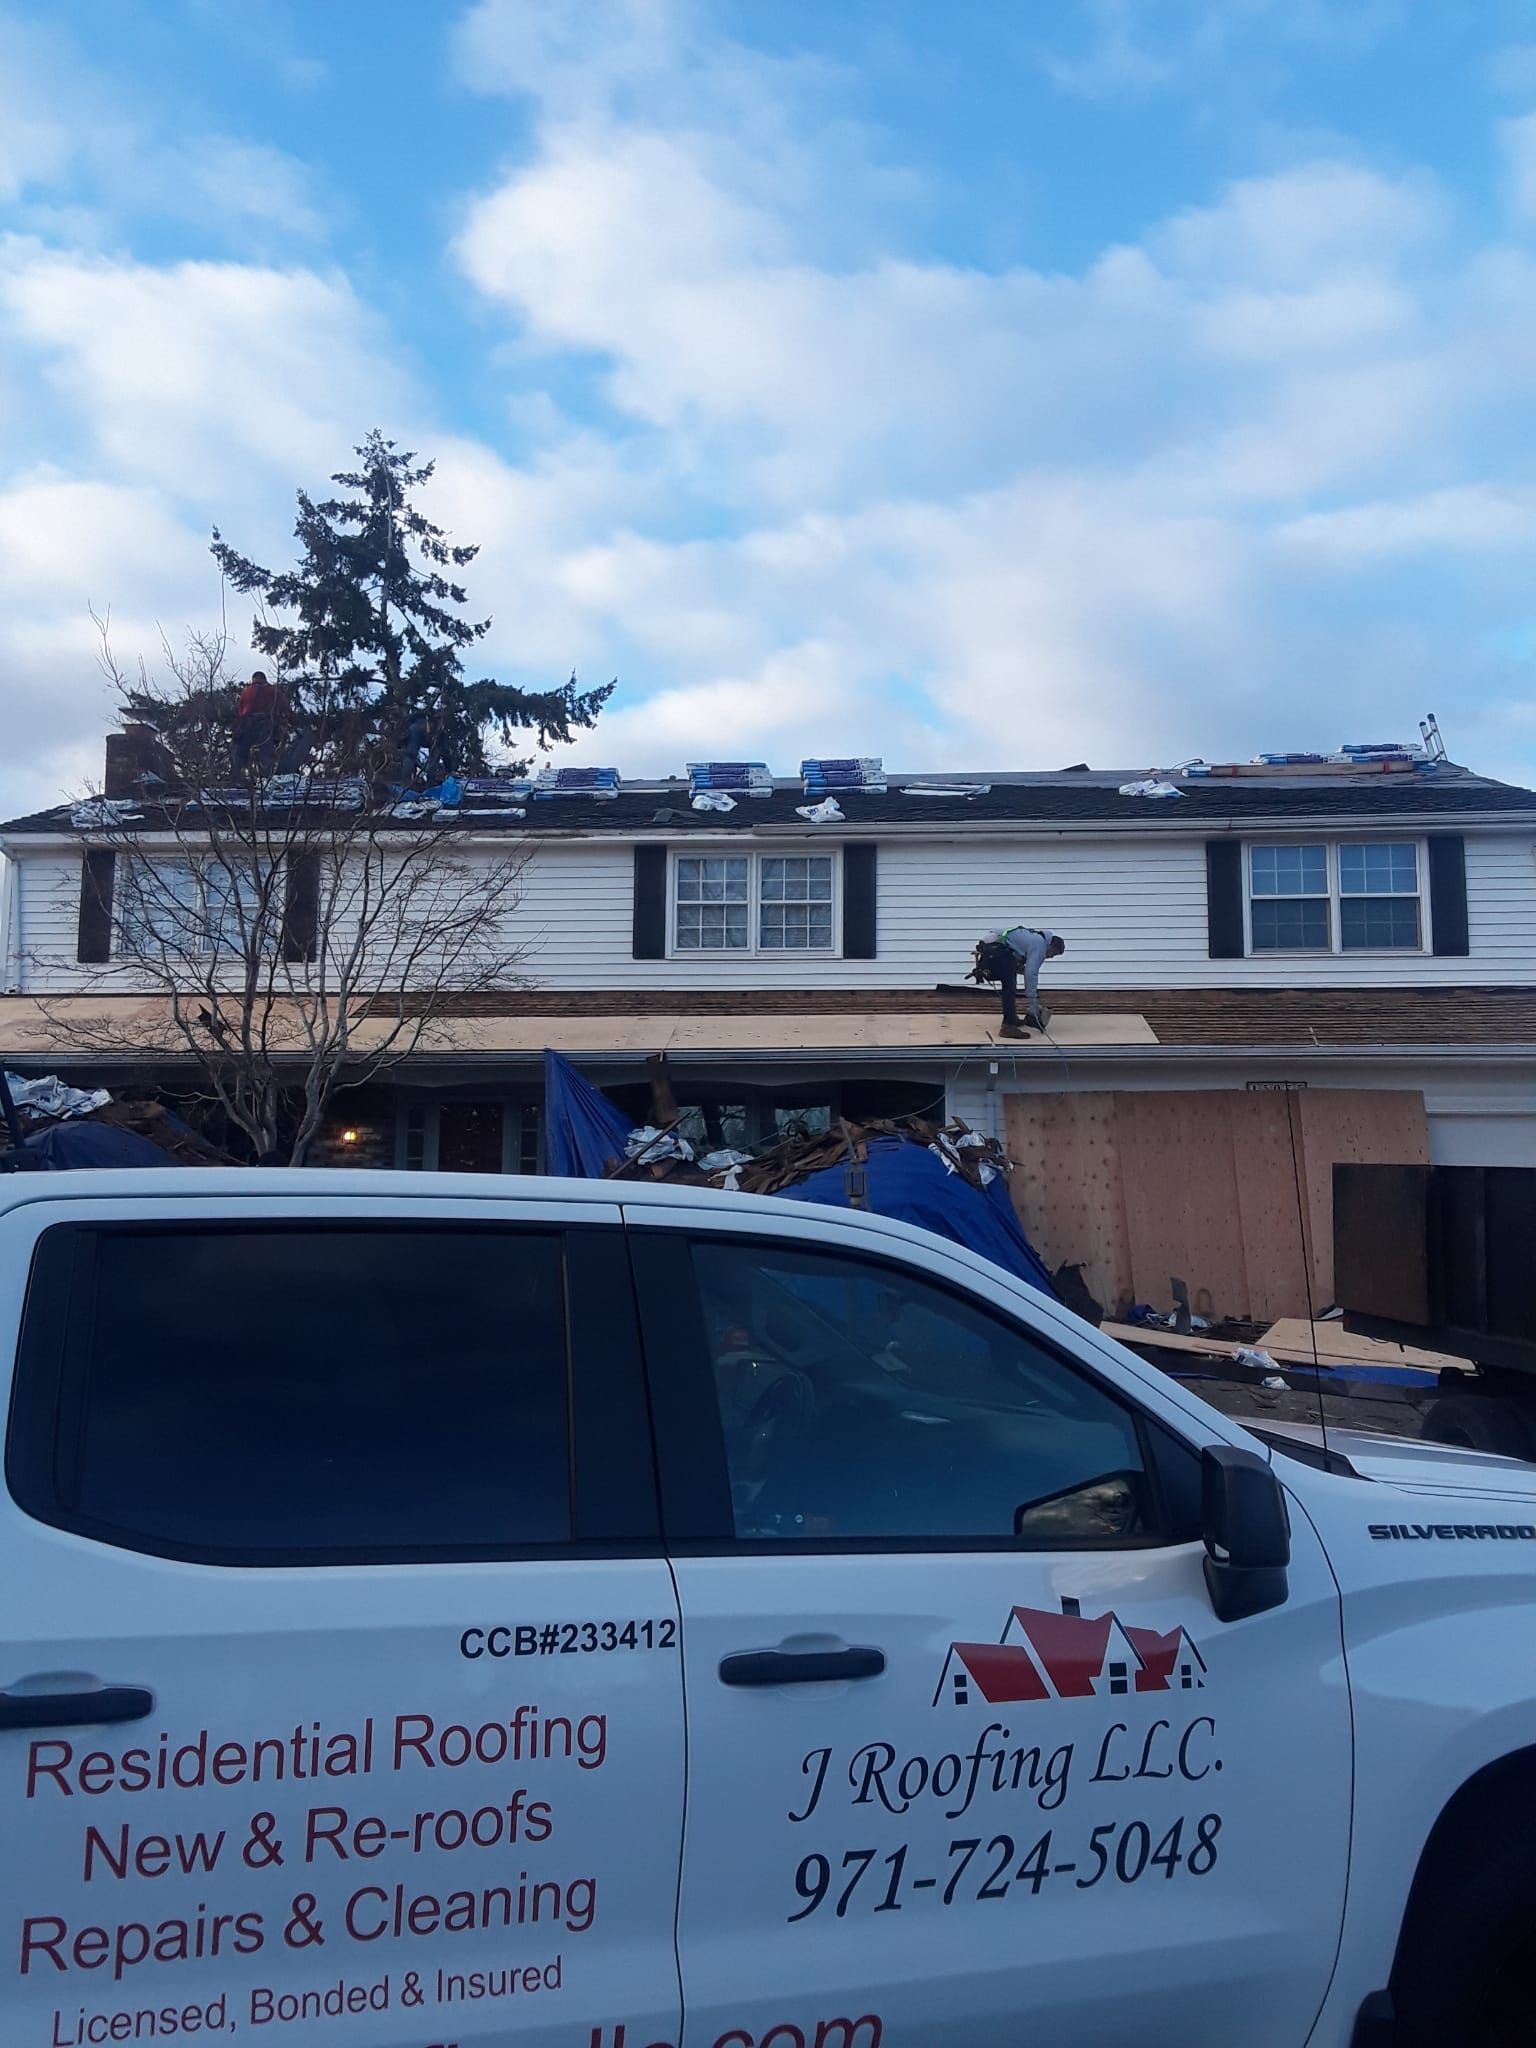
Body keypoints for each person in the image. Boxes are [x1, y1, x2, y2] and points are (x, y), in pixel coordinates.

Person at [972, 926, 1066, 1037]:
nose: (1050, 957)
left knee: (1010, 981)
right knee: (1009, 986)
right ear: (1051, 947)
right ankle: (1008, 1027)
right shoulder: (1040, 945)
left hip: (993, 948)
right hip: (996, 951)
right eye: (1053, 954)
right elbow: (1031, 973)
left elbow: (1024, 969)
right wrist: (1032, 999)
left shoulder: (1034, 938)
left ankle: (1011, 1018)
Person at [231, 672, 290, 776]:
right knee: (266, 753)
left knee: (240, 753)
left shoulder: (246, 692)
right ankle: (266, 780)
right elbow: (285, 707)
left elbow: (240, 712)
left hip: (246, 725)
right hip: (264, 725)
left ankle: (237, 777)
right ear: (264, 679)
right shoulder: (272, 691)